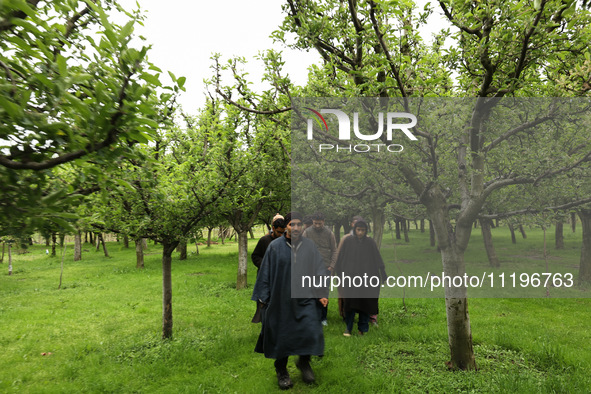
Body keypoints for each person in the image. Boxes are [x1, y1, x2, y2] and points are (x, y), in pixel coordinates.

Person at [252, 212, 329, 390]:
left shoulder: (309, 246)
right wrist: (264, 296)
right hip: (281, 298)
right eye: (291, 224)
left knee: (310, 328)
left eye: (298, 224)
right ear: (286, 226)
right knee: (282, 334)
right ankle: (281, 371)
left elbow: (318, 269)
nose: (295, 228)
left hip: (306, 297)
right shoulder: (274, 247)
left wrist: (322, 293)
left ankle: (304, 362)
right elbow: (265, 272)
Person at [334, 219, 386, 337]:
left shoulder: (370, 242)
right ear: (354, 229)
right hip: (350, 279)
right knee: (350, 304)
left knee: (365, 304)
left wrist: (382, 272)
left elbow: (377, 258)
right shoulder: (347, 241)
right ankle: (348, 328)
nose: (360, 232)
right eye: (358, 230)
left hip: (366, 279)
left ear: (366, 230)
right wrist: (340, 274)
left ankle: (363, 329)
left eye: (363, 230)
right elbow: (341, 259)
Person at [303, 212, 337, 326]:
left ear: (324, 222)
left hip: (325, 268)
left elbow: (334, 251)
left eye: (320, 223)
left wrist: (331, 266)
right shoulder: (307, 232)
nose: (317, 225)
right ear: (312, 222)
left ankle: (323, 318)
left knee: (324, 293)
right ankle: (312, 316)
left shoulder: (329, 233)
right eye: (315, 223)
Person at [250, 217, 286, 323]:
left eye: (282, 233)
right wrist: (265, 265)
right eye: (279, 232)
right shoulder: (264, 240)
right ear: (273, 228)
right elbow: (255, 256)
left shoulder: (285, 241)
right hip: (266, 276)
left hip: (280, 277)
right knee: (264, 300)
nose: (281, 235)